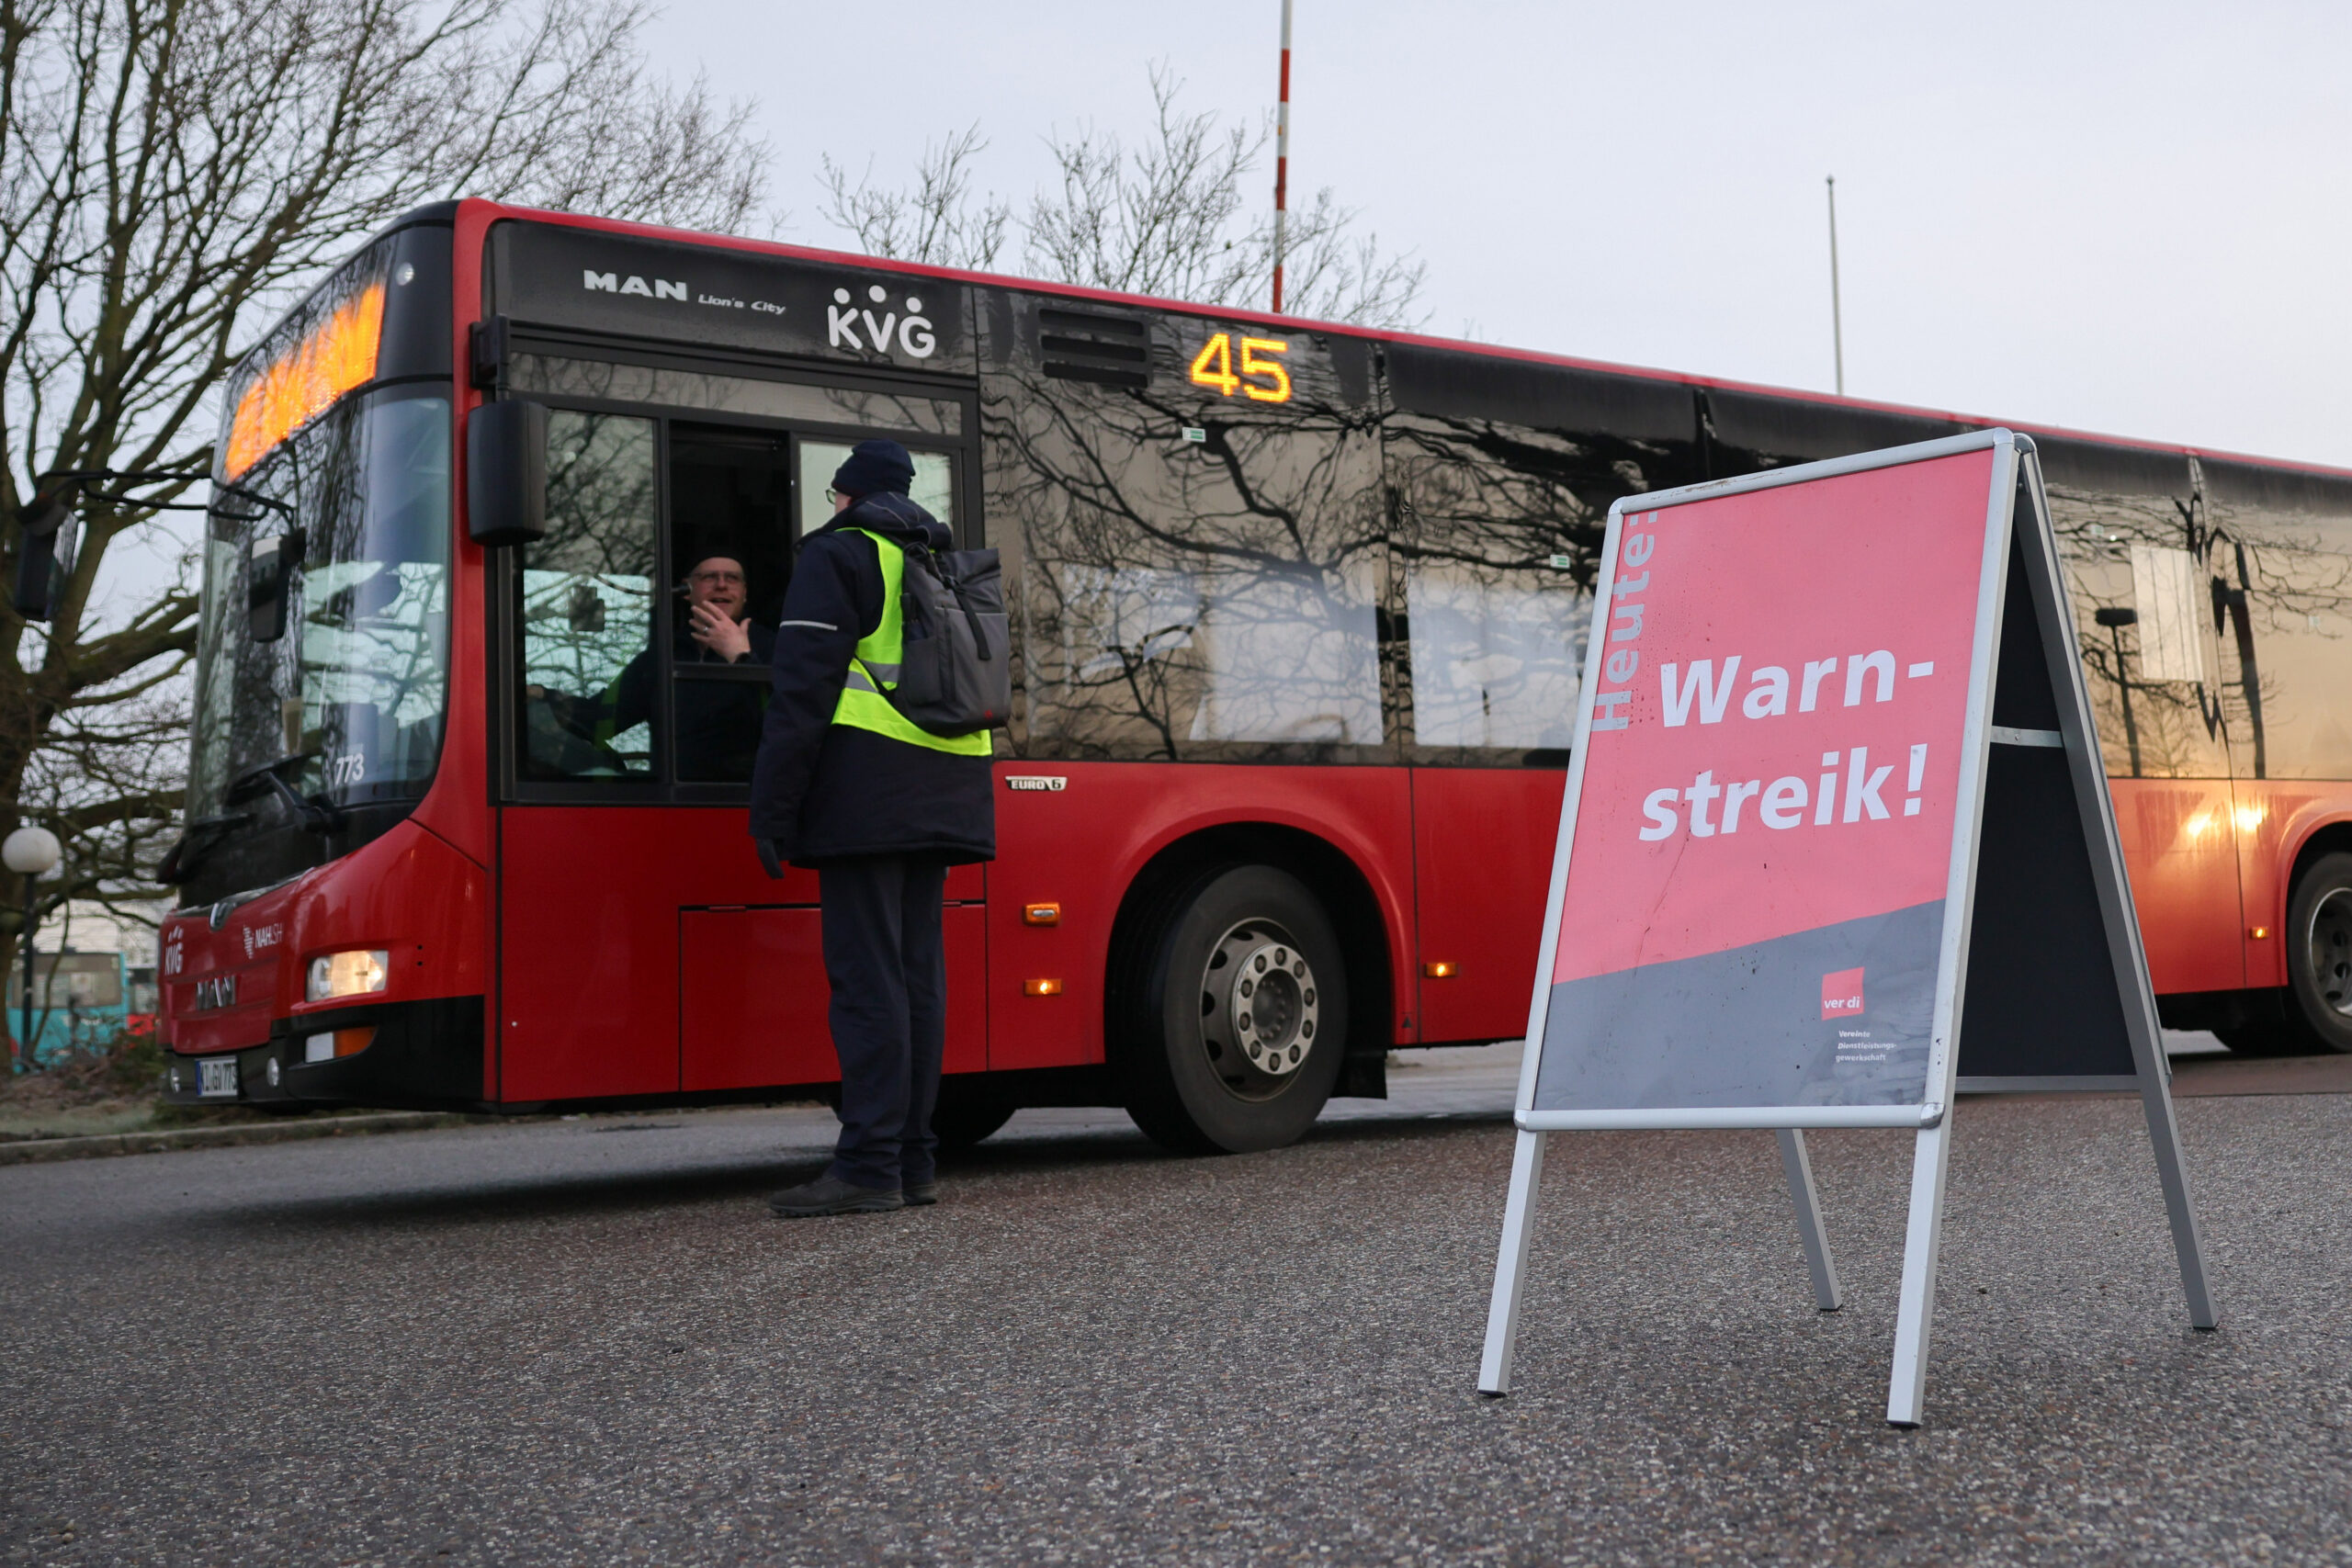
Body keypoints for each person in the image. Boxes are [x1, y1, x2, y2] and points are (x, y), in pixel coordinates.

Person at [751, 439, 995, 1218]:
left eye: (834, 495)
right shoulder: (942, 562)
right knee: (918, 979)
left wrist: (772, 810)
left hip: (866, 794)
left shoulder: (842, 555)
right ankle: (913, 1158)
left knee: (867, 985)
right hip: (947, 792)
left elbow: (801, 691)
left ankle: (866, 1165)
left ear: (848, 494)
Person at [529, 553, 775, 779]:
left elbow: (787, 721)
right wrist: (542, 694)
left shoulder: (774, 646)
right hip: (670, 803)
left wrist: (742, 658)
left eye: (732, 578)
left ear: (744, 593)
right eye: (709, 577)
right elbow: (601, 718)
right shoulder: (664, 654)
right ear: (687, 590)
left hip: (742, 802)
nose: (721, 584)